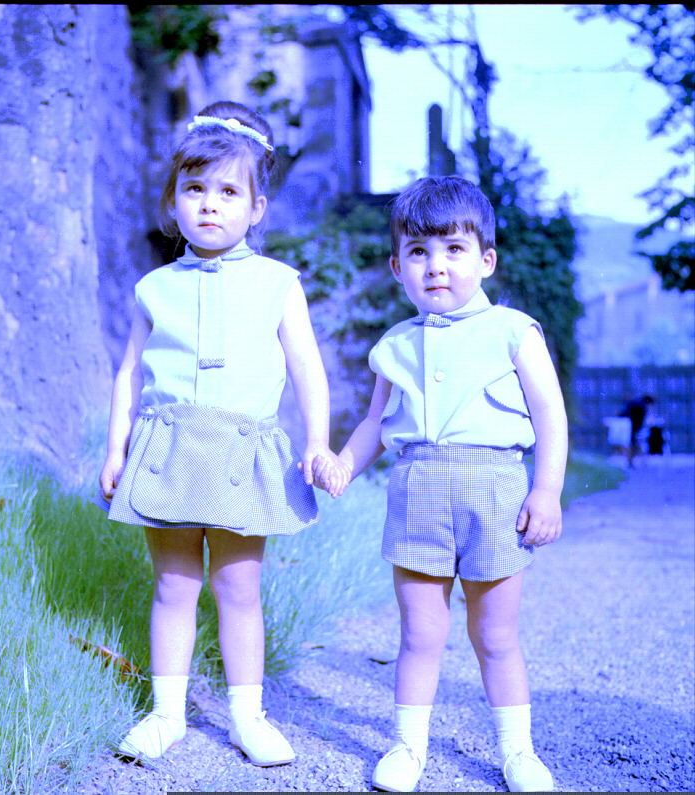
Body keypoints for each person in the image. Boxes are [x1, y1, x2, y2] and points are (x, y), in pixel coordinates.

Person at [98, 101, 343, 767]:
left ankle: (246, 715)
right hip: (169, 448)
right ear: (172, 200)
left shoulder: (277, 284)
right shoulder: (154, 288)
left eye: (229, 191)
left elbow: (307, 368)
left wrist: (317, 442)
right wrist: (116, 448)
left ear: (257, 207)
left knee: (238, 587)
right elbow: (129, 373)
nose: (210, 204)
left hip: (242, 451)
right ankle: (166, 714)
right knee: (174, 585)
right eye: (195, 188)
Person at [313, 176, 568, 792]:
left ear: (486, 260)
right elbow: (376, 423)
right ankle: (408, 747)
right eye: (419, 252)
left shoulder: (514, 331)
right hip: (418, 491)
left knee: (495, 634)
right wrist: (343, 464)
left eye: (454, 249)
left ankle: (518, 752)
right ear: (397, 267)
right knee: (420, 632)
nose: (436, 266)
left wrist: (546, 490)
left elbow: (550, 416)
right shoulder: (394, 345)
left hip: (495, 490)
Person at [618, 394, 655, 467]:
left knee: (631, 443)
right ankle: (630, 462)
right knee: (632, 444)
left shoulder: (635, 403)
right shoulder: (642, 406)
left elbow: (624, 413)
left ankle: (630, 462)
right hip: (632, 427)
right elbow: (639, 420)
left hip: (628, 426)